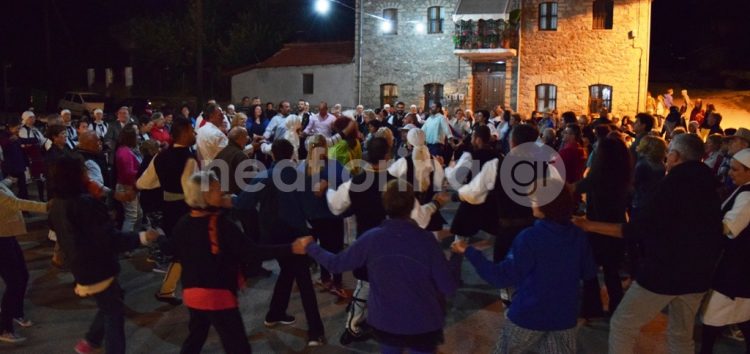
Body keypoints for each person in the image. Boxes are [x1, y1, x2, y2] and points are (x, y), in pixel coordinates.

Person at [575, 133, 724, 354]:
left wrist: (589, 225)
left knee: (622, 324)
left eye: (669, 152)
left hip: (664, 272)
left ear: (674, 156)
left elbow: (637, 229)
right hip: (699, 274)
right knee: (681, 335)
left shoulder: (672, 184)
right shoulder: (711, 184)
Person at [299, 179, 459, 353]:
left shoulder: (372, 238)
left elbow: (336, 264)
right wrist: (457, 256)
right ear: (413, 204)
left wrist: (310, 246)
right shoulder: (427, 241)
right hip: (422, 322)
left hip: (386, 321)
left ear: (385, 204)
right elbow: (448, 287)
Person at [325, 137, 450, 344]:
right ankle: (385, 322)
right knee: (389, 284)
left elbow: (336, 205)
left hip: (368, 243)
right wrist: (436, 203)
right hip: (397, 245)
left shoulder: (355, 183)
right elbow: (421, 219)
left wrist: (329, 190)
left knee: (364, 285)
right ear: (388, 156)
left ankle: (353, 325)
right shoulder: (399, 185)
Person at [452, 182, 595, 354]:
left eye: (534, 199)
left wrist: (469, 251)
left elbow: (501, 277)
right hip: (564, 316)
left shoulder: (529, 238)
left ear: (546, 205)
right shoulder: (578, 235)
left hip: (529, 314)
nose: (530, 202)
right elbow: (588, 272)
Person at [47, 155, 160, 354]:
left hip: (81, 265)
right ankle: (97, 344)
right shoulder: (84, 204)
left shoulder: (58, 203)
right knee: (114, 315)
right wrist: (142, 237)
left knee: (111, 301)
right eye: (83, 170)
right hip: (96, 267)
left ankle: (91, 340)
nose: (86, 174)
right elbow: (108, 239)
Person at [174, 171, 295, 354]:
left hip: (192, 293)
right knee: (237, 346)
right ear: (205, 194)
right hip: (217, 295)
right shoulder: (221, 225)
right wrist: (292, 247)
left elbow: (171, 248)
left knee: (195, 338)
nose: (222, 190)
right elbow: (252, 252)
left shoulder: (184, 222)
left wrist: (153, 239)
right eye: (216, 189)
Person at [232, 139, 326, 347]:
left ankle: (275, 313)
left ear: (273, 155)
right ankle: (315, 331)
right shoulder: (301, 178)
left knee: (288, 271)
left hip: (272, 238)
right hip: (297, 237)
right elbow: (311, 210)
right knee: (304, 282)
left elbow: (243, 204)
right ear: (292, 153)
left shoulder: (263, 176)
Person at [137, 117, 199, 305]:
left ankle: (169, 289)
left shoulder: (161, 156)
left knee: (183, 251)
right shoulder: (189, 159)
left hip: (168, 210)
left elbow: (143, 183)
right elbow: (193, 191)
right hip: (187, 210)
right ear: (184, 132)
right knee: (188, 250)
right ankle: (179, 290)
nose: (195, 134)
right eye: (192, 130)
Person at [699, 148, 750, 354]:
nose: (730, 172)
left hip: (735, 268)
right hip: (739, 266)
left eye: (736, 170)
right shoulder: (744, 190)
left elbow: (729, 228)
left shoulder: (748, 197)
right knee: (743, 314)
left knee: (713, 315)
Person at [576, 137, 632, 318]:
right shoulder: (624, 174)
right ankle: (616, 308)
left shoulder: (597, 175)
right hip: (616, 229)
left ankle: (591, 308)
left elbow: (577, 187)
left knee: (590, 272)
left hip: (596, 229)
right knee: (611, 273)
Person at [212, 127, 270, 277]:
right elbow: (251, 181)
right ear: (239, 139)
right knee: (253, 234)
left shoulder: (222, 153)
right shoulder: (239, 156)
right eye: (246, 137)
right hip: (242, 201)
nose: (248, 139)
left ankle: (240, 265)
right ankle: (253, 267)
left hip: (224, 201)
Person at [297, 134, 349, 297]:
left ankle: (325, 278)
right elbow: (349, 187)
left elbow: (296, 194)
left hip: (311, 217)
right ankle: (337, 282)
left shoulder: (300, 168)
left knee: (319, 248)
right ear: (325, 147)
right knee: (335, 249)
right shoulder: (335, 166)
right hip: (332, 217)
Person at [0, 177, 48, 343]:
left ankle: (16, 313)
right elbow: (16, 203)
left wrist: (7, 181)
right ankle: (4, 328)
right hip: (0, 240)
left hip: (7, 236)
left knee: (23, 276)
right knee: (14, 282)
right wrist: (48, 206)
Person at [388, 128, 446, 234]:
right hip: (430, 213)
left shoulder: (403, 163)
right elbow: (438, 185)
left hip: (409, 213)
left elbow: (389, 179)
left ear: (409, 143)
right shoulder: (435, 163)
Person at [115, 123, 142, 233]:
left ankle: (135, 240)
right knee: (131, 217)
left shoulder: (128, 149)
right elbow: (128, 173)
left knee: (138, 214)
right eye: (136, 135)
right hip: (127, 187)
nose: (139, 137)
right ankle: (126, 244)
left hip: (132, 186)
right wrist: (142, 172)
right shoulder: (125, 152)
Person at [18, 111, 46, 200]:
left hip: (37, 157)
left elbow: (41, 140)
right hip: (26, 157)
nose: (33, 119)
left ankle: (41, 198)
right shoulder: (22, 129)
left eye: (33, 117)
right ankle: (24, 200)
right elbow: (24, 142)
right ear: (25, 119)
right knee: (25, 180)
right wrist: (33, 142)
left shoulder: (35, 129)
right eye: (30, 117)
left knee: (40, 178)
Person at [0, 117, 29, 200]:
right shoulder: (4, 136)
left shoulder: (16, 136)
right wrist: (9, 140)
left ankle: (24, 210)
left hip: (19, 166)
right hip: (9, 168)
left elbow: (22, 144)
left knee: (23, 189)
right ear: (11, 127)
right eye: (17, 128)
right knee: (8, 191)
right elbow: (2, 147)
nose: (18, 130)